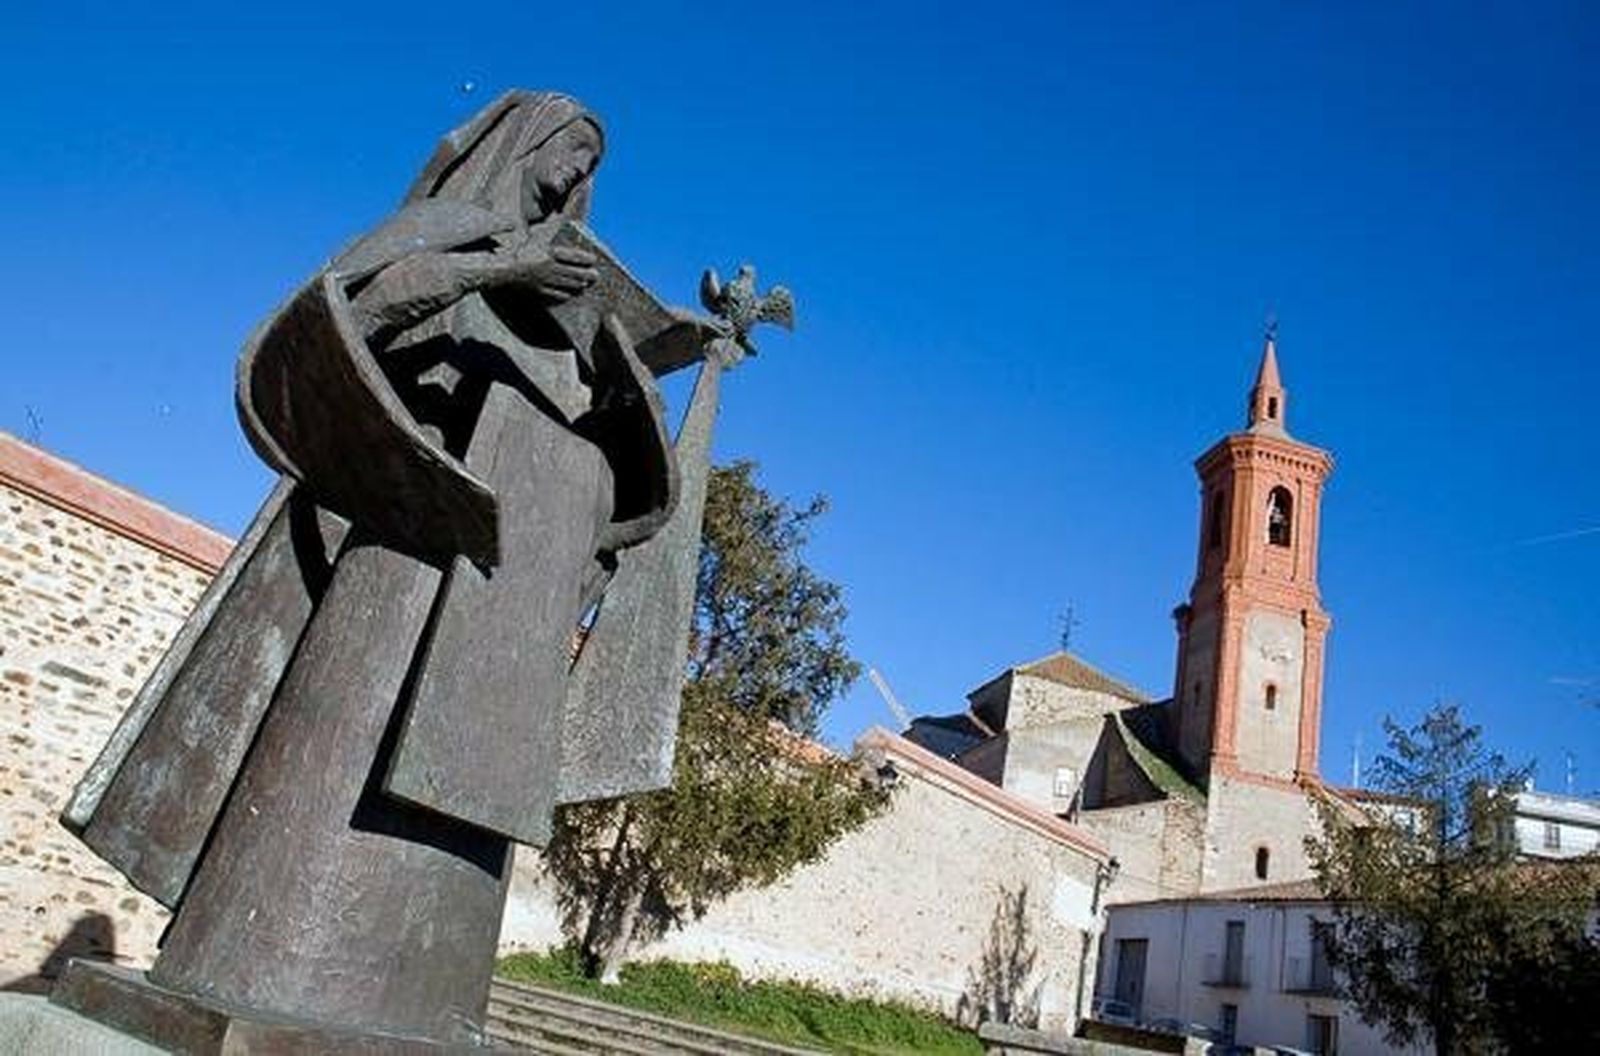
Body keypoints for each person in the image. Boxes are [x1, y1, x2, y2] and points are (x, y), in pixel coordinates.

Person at [64, 90, 715, 1045]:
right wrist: (496, 265)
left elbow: (620, 480)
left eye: (588, 167)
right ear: (521, 143)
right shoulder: (450, 228)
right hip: (403, 557)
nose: (573, 177)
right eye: (564, 152)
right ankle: (259, 967)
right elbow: (347, 315)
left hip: (504, 608)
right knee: (330, 778)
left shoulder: (561, 316)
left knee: (449, 854)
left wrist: (667, 364)